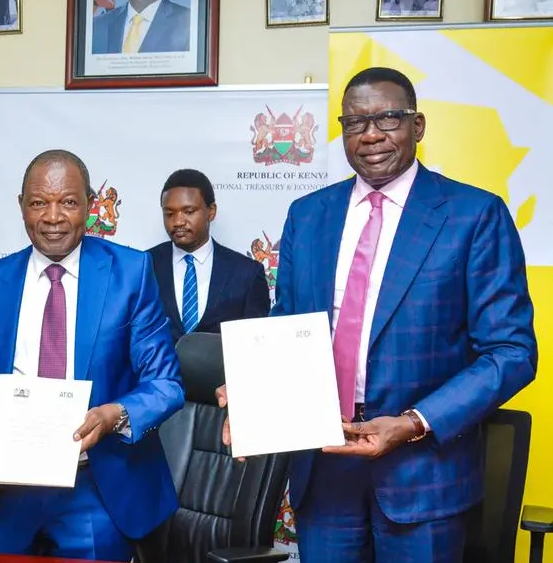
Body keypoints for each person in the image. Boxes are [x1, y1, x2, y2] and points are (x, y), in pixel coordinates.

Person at [217, 67, 538, 561]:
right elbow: (289, 325)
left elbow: (512, 352)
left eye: (387, 119)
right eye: (354, 123)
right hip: (324, 467)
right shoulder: (309, 214)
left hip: (422, 471)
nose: (369, 135)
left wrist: (413, 422)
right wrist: (254, 391)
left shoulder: (473, 216)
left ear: (418, 125)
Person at [0, 149, 184, 561]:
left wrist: (116, 415)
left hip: (95, 485)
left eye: (68, 202)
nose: (53, 216)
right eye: (39, 202)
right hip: (10, 487)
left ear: (90, 205)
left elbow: (165, 384)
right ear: (21, 207)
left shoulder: (130, 273)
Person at [148, 169, 270, 343]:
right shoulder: (144, 266)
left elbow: (256, 345)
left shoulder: (247, 274)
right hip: (160, 370)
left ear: (211, 211)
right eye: (169, 214)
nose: (178, 222)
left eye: (189, 211)